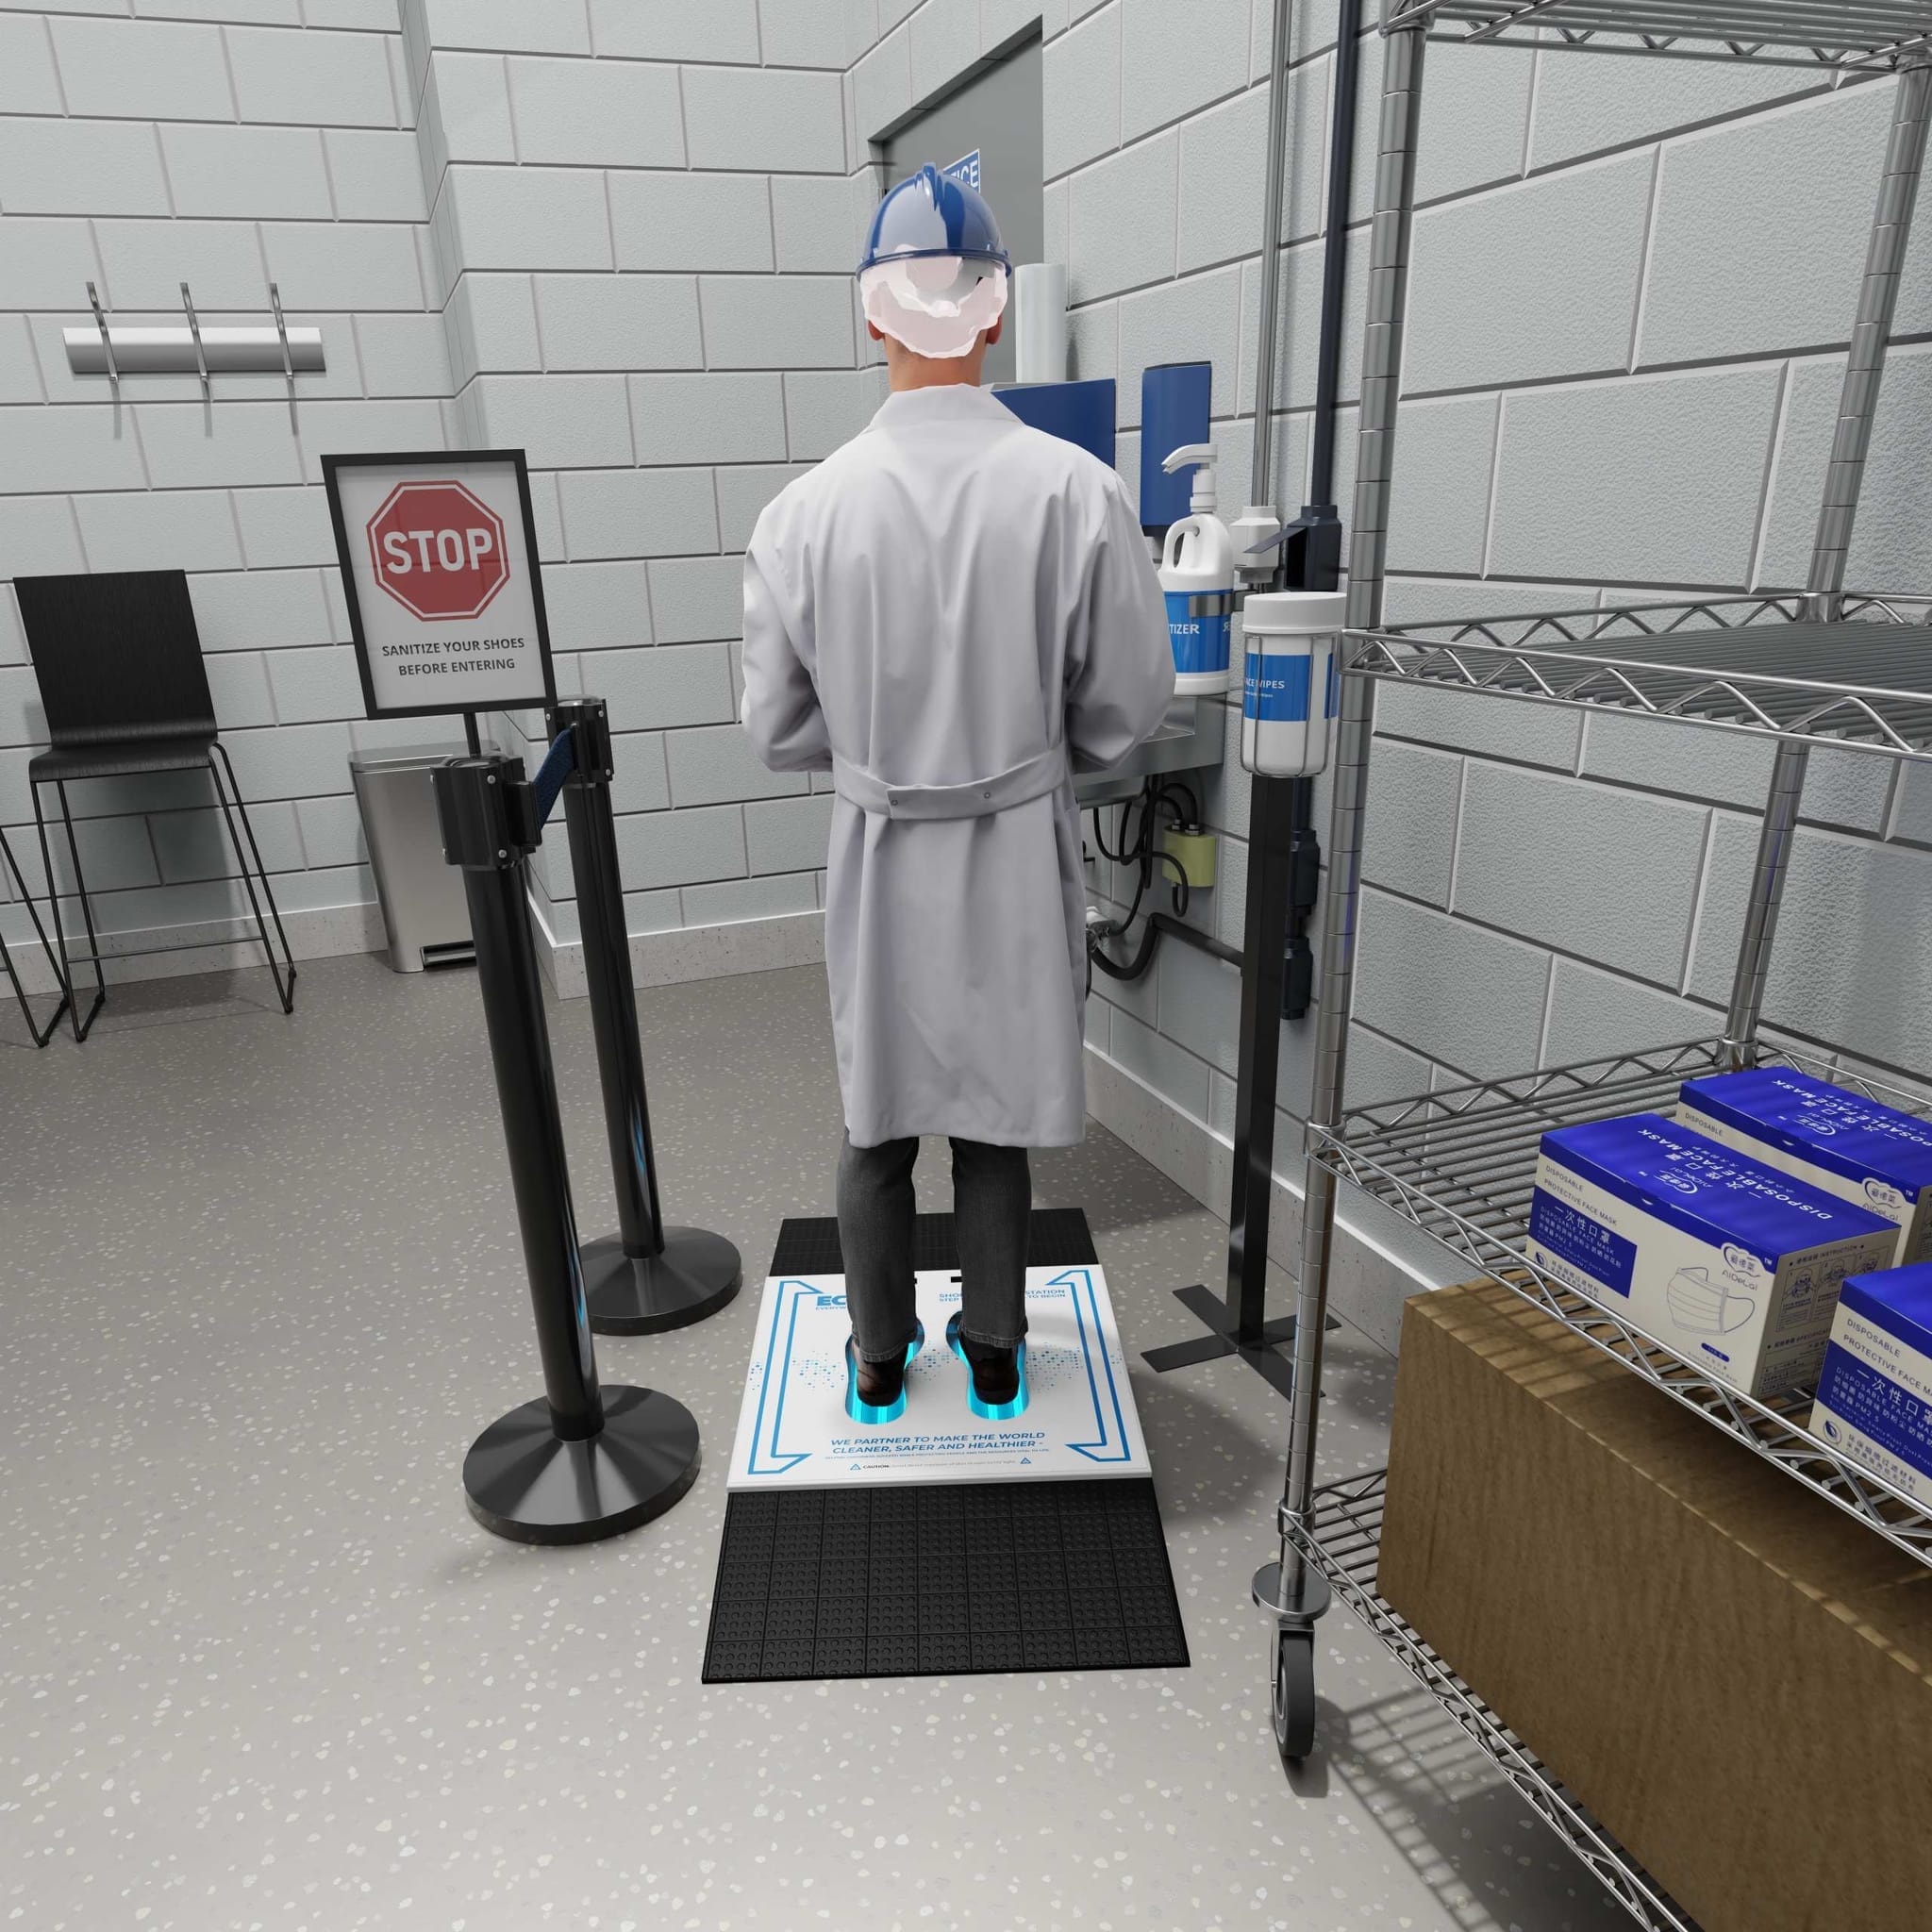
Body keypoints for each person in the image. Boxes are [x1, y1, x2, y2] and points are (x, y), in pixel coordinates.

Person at [741, 165, 1174, 1431]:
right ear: (991, 314)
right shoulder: (1078, 491)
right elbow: (1131, 705)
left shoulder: (802, 514)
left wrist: (877, 751)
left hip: (878, 849)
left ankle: (877, 1359)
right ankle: (994, 1349)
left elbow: (773, 728)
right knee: (996, 1114)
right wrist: (1041, 752)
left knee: (878, 1117)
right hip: (1013, 847)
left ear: (873, 316)